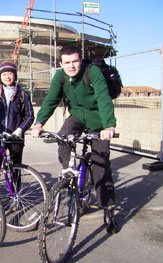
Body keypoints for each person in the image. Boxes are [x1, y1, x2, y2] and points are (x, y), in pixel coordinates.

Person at [31, 44, 119, 234]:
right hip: (77, 115)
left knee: (100, 164)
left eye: (75, 61)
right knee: (63, 137)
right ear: (61, 63)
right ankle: (69, 174)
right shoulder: (61, 77)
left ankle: (109, 208)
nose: (71, 66)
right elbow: (51, 100)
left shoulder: (92, 72)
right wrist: (39, 123)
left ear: (80, 60)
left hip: (98, 118)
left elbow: (103, 98)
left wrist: (108, 126)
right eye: (67, 62)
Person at [0, 61, 34, 196]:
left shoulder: (23, 94)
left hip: (16, 138)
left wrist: (21, 129)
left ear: (15, 75)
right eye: (4, 74)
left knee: (15, 168)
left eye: (10, 73)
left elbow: (29, 116)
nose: (7, 77)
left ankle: (15, 196)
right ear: (0, 77)